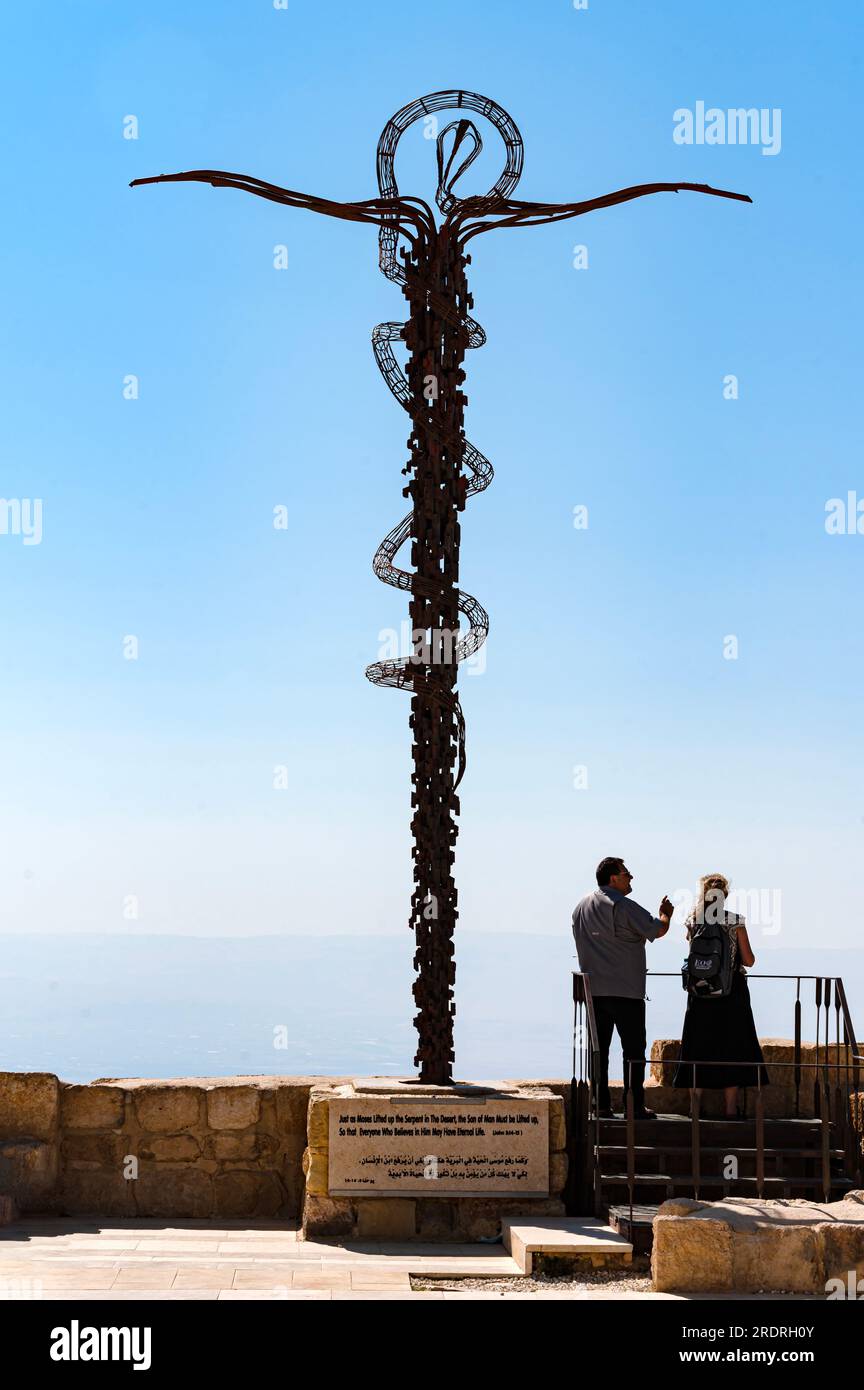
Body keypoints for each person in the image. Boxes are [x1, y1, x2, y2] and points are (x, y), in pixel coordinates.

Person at [572, 857, 673, 1118]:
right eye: (627, 873)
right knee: (633, 1051)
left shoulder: (580, 908)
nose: (631, 878)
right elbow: (658, 930)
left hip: (593, 992)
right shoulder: (623, 906)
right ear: (613, 878)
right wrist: (666, 914)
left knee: (598, 1051)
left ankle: (600, 1104)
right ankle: (633, 1106)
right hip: (626, 991)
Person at [672, 873, 769, 1117]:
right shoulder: (735, 921)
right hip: (731, 992)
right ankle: (730, 1109)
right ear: (725, 896)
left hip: (700, 991)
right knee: (732, 1047)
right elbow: (749, 960)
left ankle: (695, 1107)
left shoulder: (693, 920)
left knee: (697, 1046)